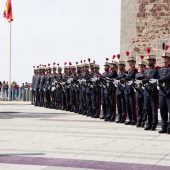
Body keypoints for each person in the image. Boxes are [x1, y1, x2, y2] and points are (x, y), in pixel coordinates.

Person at [154, 46, 170, 134]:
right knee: (163, 110)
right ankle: (164, 127)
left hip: (168, 91)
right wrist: (156, 82)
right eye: (163, 58)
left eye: (166, 58)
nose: (164, 59)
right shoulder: (161, 69)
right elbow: (159, 77)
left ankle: (169, 128)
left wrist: (157, 80)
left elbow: (167, 78)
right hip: (162, 91)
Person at [142, 48, 159, 131]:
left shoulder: (156, 70)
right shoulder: (146, 71)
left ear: (154, 61)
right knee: (147, 108)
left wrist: (145, 80)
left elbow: (151, 78)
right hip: (146, 90)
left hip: (153, 90)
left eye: (151, 60)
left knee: (153, 109)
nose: (149, 62)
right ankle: (148, 123)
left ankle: (154, 123)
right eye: (148, 60)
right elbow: (144, 79)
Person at [123, 52, 138, 125]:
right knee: (128, 105)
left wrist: (124, 78)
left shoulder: (134, 70)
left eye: (130, 62)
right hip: (127, 89)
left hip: (131, 90)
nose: (129, 63)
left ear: (134, 63)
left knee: (132, 106)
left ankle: (134, 119)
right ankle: (130, 118)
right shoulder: (129, 70)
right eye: (129, 62)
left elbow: (129, 77)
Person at [135, 58, 147, 127]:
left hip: (144, 92)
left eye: (142, 67)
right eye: (139, 66)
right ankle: (139, 120)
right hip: (138, 92)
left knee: (144, 107)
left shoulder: (146, 74)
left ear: (144, 68)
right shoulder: (137, 74)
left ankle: (143, 121)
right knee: (139, 107)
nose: (140, 68)